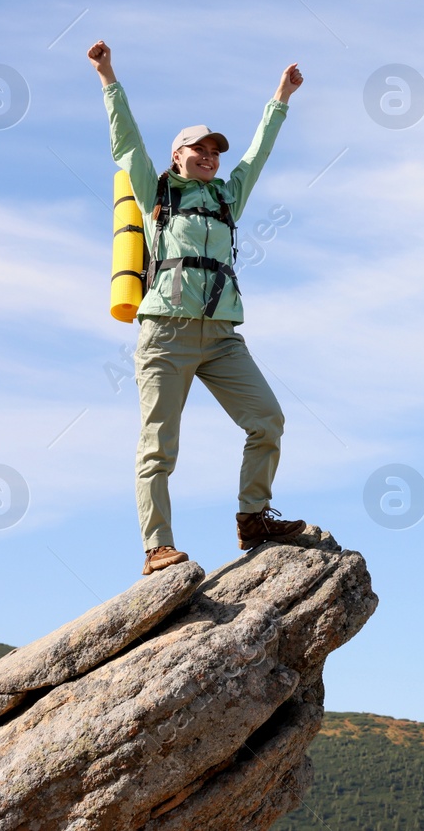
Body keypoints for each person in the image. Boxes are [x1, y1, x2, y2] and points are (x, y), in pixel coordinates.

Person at [87, 39, 309, 575]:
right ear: (177, 156)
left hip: (223, 337)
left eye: (214, 150)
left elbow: (257, 154)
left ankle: (253, 519)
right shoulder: (156, 192)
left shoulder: (227, 198)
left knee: (268, 420)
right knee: (159, 445)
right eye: (198, 148)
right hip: (166, 332)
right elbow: (127, 144)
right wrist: (107, 76)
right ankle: (157, 547)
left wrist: (280, 98)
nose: (209, 156)